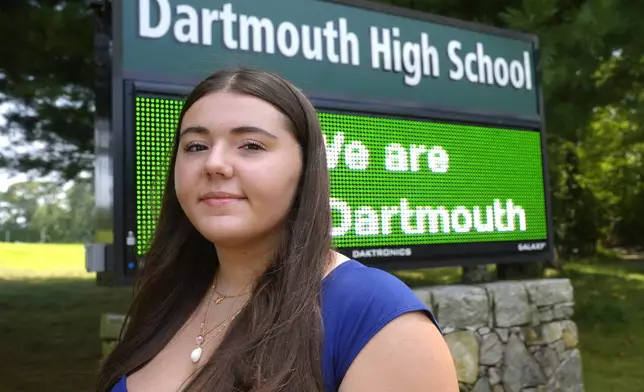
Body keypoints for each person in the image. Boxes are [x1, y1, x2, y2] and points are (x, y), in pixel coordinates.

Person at [95, 68, 458, 392]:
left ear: (305, 171)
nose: (214, 163)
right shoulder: (168, 296)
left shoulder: (373, 315)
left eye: (251, 145)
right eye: (196, 146)